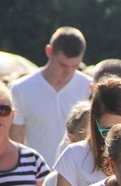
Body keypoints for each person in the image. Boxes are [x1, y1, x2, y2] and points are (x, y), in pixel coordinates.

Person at [10, 26, 92, 167]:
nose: (68, 71)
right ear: (49, 51)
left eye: (75, 66)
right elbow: (15, 140)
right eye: (63, 64)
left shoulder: (89, 87)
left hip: (77, 175)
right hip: (37, 175)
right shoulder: (21, 89)